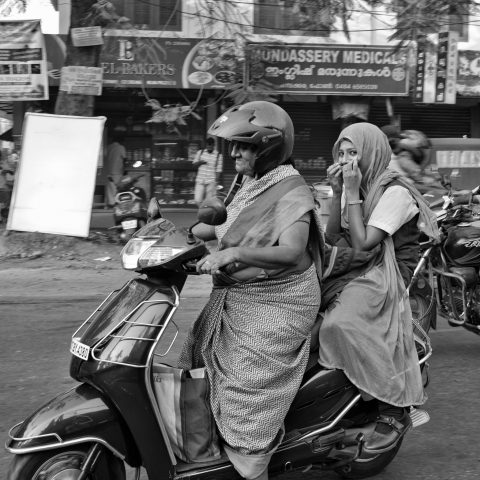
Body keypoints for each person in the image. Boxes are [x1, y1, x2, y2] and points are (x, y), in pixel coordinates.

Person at [178, 101, 321, 480]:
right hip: (241, 293)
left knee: (244, 377)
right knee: (193, 355)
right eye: (234, 146)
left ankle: (251, 462)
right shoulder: (251, 182)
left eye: (244, 146)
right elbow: (223, 225)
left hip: (281, 299)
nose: (235, 153)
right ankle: (207, 443)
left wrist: (234, 254)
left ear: (267, 147)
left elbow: (291, 252)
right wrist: (179, 233)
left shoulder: (292, 191)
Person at [316, 122, 439, 454]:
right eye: (340, 153)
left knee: (340, 324)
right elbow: (332, 239)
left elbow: (364, 241)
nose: (345, 160)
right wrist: (339, 193)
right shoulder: (362, 186)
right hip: (362, 262)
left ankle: (395, 410)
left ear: (371, 152)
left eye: (353, 153)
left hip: (387, 271)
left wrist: (352, 192)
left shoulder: (394, 191)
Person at [193, 137, 223, 206]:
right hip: (200, 180)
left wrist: (215, 182)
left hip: (211, 182)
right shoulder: (200, 152)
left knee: (209, 202)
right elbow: (194, 164)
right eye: (208, 145)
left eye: (211, 146)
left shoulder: (218, 155)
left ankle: (206, 214)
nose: (209, 147)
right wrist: (200, 162)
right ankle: (203, 210)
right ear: (206, 145)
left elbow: (219, 170)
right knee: (197, 200)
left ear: (213, 145)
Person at [104, 134, 127, 207]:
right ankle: (117, 205)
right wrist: (125, 170)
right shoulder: (121, 147)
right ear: (120, 140)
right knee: (118, 189)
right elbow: (124, 159)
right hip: (117, 172)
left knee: (110, 190)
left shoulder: (108, 147)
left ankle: (111, 204)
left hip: (108, 172)